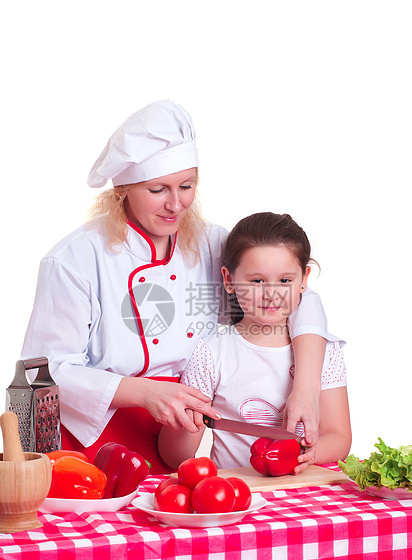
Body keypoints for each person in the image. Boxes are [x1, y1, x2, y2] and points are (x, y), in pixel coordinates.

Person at [22, 100, 336, 473]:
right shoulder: (74, 260)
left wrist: (306, 390)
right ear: (122, 189)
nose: (176, 204)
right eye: (158, 190)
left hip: (180, 432)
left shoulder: (210, 242)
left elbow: (298, 297)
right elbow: (42, 372)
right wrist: (144, 391)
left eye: (186, 186)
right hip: (93, 437)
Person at [158, 212, 351, 473]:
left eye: (285, 280)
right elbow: (176, 457)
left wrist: (308, 454)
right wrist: (182, 425)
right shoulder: (212, 351)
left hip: (305, 490)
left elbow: (339, 437)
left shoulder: (325, 352)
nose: (271, 294)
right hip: (238, 493)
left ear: (304, 280)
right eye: (257, 280)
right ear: (229, 280)